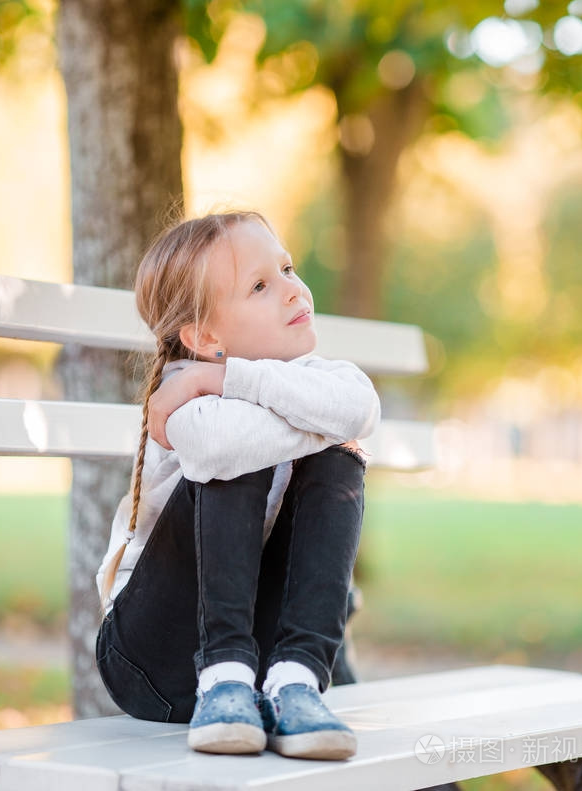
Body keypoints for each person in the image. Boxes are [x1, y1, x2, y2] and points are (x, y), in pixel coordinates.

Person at [95, 210, 380, 760]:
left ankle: (297, 682)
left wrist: (229, 377)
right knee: (239, 449)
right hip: (154, 657)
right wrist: (307, 419)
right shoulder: (184, 391)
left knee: (338, 457)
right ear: (205, 337)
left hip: (262, 661)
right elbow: (222, 446)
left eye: (287, 269)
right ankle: (221, 675)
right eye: (259, 286)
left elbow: (359, 410)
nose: (293, 289)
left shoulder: (313, 377)